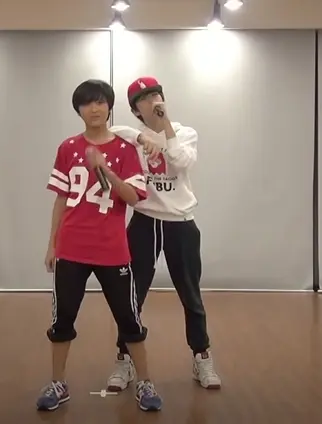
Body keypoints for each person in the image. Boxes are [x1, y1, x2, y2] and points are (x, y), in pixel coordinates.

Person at [37, 79, 162, 412]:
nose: (94, 108)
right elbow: (61, 199)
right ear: (78, 110)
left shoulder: (125, 150)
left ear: (109, 107)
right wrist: (52, 244)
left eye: (100, 102)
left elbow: (133, 197)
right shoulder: (67, 147)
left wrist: (105, 169)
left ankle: (145, 382)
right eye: (86, 103)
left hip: (112, 250)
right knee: (62, 320)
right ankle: (57, 383)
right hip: (71, 249)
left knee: (129, 320)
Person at [106, 76, 222, 391]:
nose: (153, 100)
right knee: (132, 296)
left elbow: (182, 161)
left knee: (190, 294)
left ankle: (201, 356)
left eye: (156, 94)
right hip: (144, 222)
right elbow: (110, 134)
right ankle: (125, 358)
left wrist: (165, 127)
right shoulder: (132, 136)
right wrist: (141, 136)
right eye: (145, 98)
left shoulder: (184, 133)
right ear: (136, 110)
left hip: (180, 223)